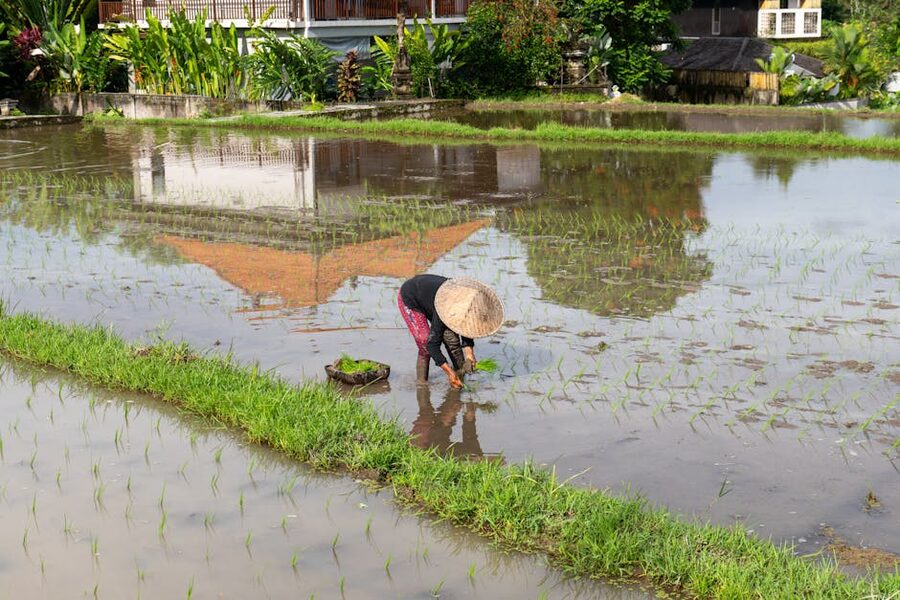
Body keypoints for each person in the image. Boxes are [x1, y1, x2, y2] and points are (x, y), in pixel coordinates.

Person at [398, 275, 504, 389]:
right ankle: (422, 383)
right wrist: (449, 372)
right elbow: (432, 345)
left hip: (432, 297)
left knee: (452, 341)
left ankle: (461, 377)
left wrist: (469, 355)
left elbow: (467, 328)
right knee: (424, 342)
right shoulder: (444, 307)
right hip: (411, 298)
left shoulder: (468, 301)